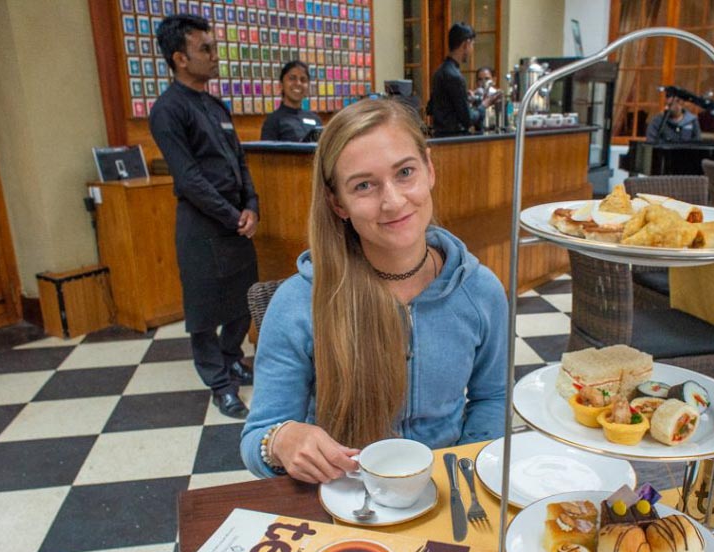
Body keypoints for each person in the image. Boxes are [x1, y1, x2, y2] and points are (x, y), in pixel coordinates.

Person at [240, 98, 508, 482]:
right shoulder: (299, 303)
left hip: (447, 492)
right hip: (342, 494)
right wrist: (281, 439)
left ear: (429, 169)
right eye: (364, 185)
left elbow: (492, 398)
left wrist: (462, 471)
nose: (393, 201)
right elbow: (256, 439)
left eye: (405, 172)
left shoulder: (480, 292)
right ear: (338, 203)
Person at [150, 14, 259, 419]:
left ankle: (232, 358)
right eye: (205, 49)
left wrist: (252, 206)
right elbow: (190, 179)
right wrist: (233, 215)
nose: (215, 56)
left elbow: (240, 162)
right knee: (204, 312)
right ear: (180, 58)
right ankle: (219, 384)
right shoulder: (168, 110)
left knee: (242, 301)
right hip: (202, 226)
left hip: (235, 222)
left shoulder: (215, 105)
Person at [426, 23, 499, 136]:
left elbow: (430, 108)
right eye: (472, 45)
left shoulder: (439, 72)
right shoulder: (455, 76)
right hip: (454, 141)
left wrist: (464, 97)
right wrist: (484, 104)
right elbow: (468, 120)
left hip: (439, 137)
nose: (472, 50)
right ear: (466, 44)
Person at [260, 60, 323, 142]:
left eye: (303, 80)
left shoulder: (316, 119)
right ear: (281, 85)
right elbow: (265, 154)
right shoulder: (273, 121)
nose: (298, 83)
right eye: (292, 78)